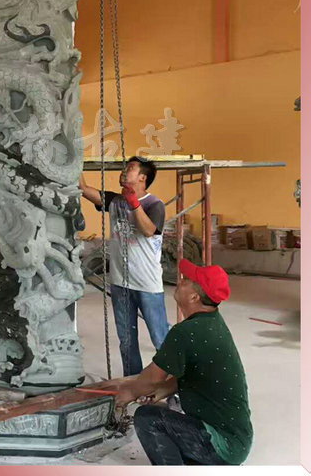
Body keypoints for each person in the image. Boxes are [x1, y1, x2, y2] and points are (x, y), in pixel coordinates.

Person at [97, 258, 252, 465]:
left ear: (194, 297)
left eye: (186, 280)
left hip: (223, 446)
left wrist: (129, 392)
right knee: (164, 414)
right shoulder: (213, 322)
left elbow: (152, 378)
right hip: (237, 441)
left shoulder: (186, 332)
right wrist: (161, 391)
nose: (180, 281)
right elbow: (194, 375)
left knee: (148, 418)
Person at [80, 156, 170, 375]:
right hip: (120, 283)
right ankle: (132, 381)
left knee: (160, 338)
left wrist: (134, 204)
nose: (123, 171)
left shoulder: (154, 204)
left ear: (142, 178)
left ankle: (171, 384)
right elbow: (83, 189)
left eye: (130, 168)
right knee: (126, 341)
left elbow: (148, 231)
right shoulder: (115, 201)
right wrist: (74, 160)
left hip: (147, 284)